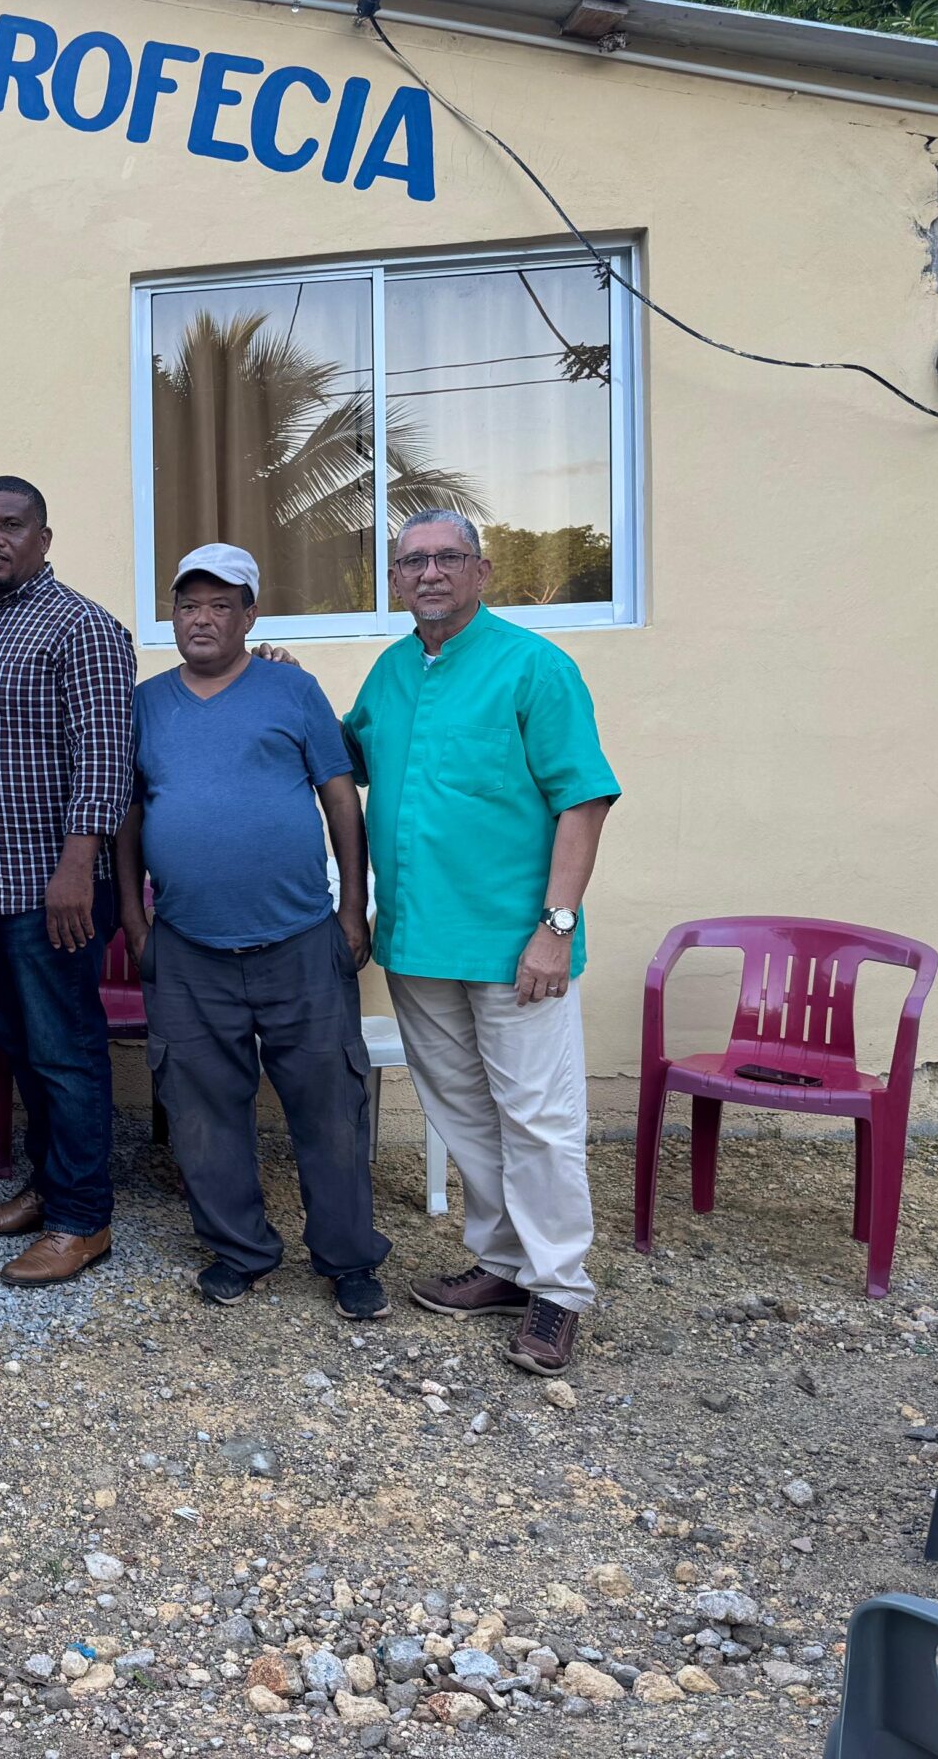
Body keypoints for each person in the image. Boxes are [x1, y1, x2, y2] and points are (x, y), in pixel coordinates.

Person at [344, 509, 621, 1377]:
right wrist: (275, 680)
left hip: (514, 948)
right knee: (464, 1114)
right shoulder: (392, 672)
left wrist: (556, 928)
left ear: (482, 569)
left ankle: (558, 1289)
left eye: (446, 557)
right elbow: (345, 757)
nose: (429, 573)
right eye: (412, 562)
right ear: (395, 579)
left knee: (538, 1119)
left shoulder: (535, 667)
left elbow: (584, 800)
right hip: (419, 944)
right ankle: (503, 1264)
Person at [115, 544, 391, 1321]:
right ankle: (239, 1251)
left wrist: (351, 910)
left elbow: (341, 800)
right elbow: (127, 819)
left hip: (300, 941)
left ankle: (348, 1259)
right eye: (188, 605)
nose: (201, 620)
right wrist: (135, 922)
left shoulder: (291, 689)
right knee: (201, 1112)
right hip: (188, 948)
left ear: (250, 617)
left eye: (219, 605)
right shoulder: (145, 704)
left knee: (330, 1107)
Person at [0, 478, 135, 1289]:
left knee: (65, 1051)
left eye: (12, 525)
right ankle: (48, 1188)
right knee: (21, 1045)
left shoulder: (83, 627)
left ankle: (82, 1219)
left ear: (44, 538)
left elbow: (106, 758)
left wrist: (77, 867)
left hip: (55, 889)